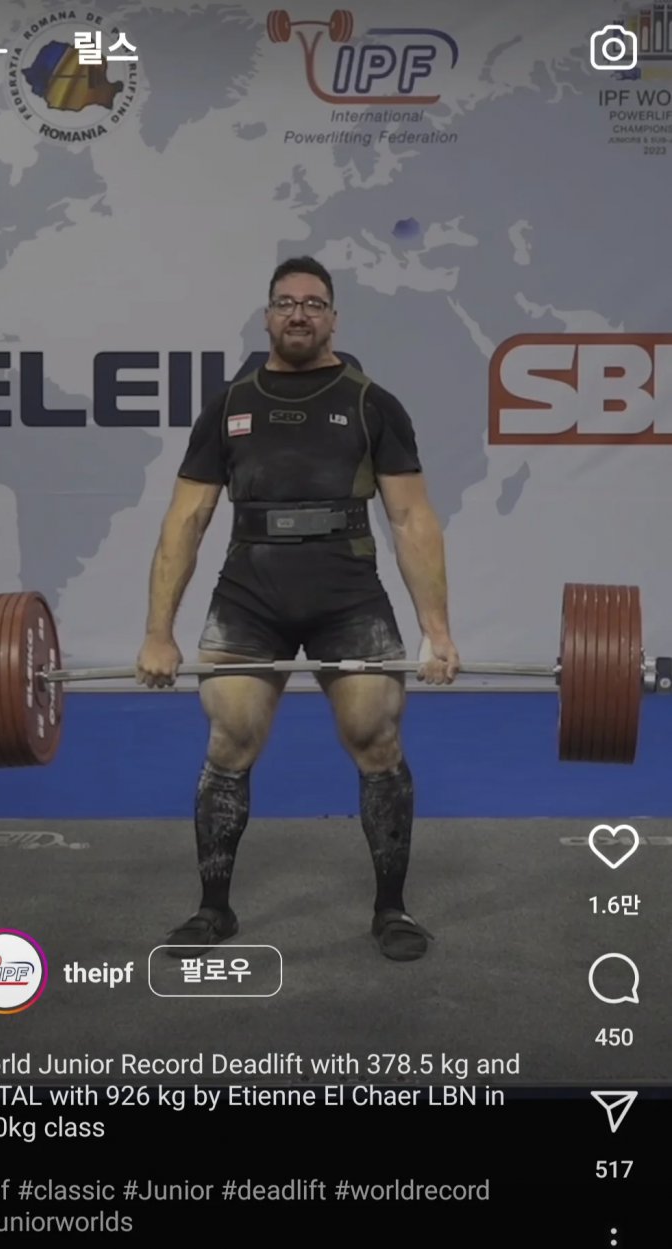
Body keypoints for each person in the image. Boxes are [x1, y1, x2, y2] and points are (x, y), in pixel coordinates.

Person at [136, 256, 460, 962]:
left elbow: (411, 522)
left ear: (333, 317)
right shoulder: (228, 405)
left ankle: (392, 909)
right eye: (286, 303)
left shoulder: (373, 402)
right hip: (250, 595)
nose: (300, 315)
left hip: (348, 595)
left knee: (376, 738)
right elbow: (185, 521)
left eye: (314, 303)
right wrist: (158, 632)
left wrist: (438, 633)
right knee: (230, 741)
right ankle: (213, 908)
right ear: (268, 315)